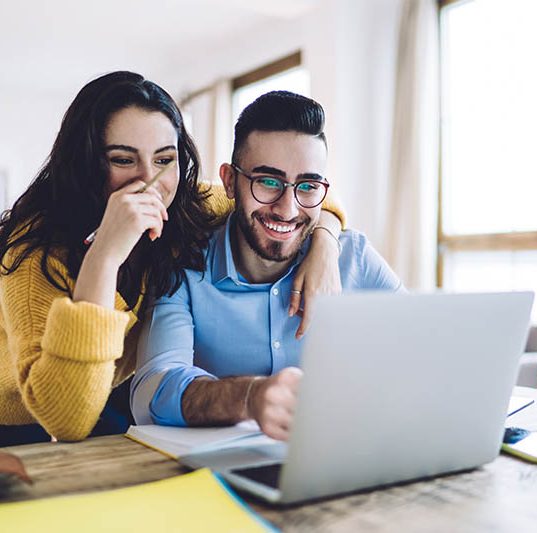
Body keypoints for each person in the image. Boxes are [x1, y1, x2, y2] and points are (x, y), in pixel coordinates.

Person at [0, 73, 345, 446]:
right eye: (123, 159)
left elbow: (295, 200)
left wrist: (325, 245)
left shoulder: (186, 204)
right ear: (85, 163)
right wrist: (104, 256)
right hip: (25, 411)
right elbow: (65, 419)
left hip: (113, 381)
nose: (149, 181)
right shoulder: (34, 254)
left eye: (164, 159)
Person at [132, 90, 404, 441]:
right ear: (230, 181)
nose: (287, 209)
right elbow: (151, 390)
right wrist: (248, 397)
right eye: (268, 182)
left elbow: (425, 350)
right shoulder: (185, 266)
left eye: (307, 186)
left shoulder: (354, 259)